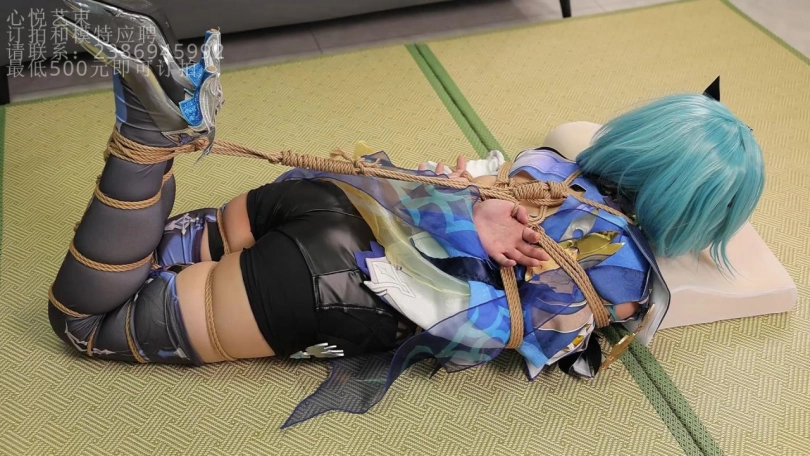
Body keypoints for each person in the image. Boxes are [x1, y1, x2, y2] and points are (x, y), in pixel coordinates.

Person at [47, 1, 764, 428]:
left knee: (155, 253)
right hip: (341, 279)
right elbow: (515, 331)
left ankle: (164, 114)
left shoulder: (549, 165)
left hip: (336, 194)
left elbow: (489, 174)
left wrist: (470, 209)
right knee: (86, 323)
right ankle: (145, 136)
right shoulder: (624, 277)